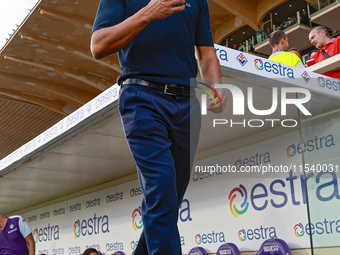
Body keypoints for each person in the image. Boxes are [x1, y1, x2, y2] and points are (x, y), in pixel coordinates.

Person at [91, 0, 227, 254]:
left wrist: (215, 84)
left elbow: (206, 54)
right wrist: (148, 14)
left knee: (168, 201)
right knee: (162, 191)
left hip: (187, 104)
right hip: (142, 98)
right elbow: (98, 45)